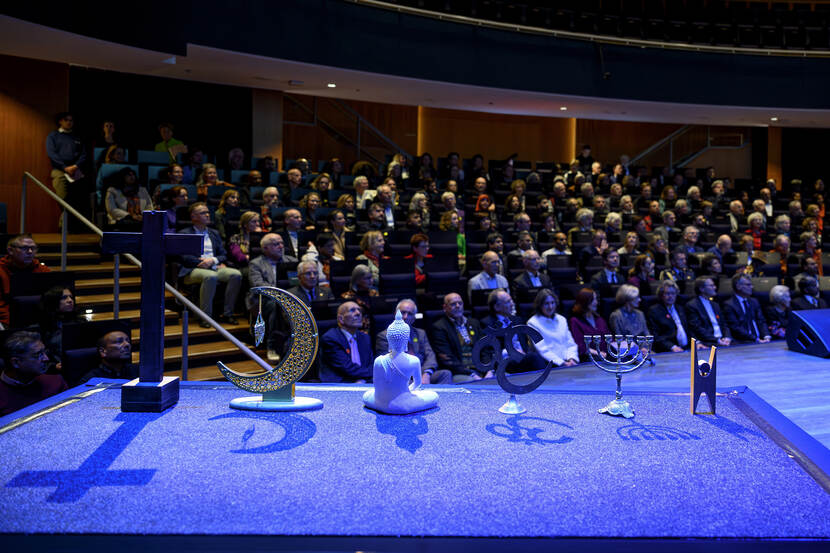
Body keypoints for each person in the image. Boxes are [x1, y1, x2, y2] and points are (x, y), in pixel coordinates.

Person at [178, 203, 243, 327]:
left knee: (236, 274)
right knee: (210, 277)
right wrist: (201, 262)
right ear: (193, 216)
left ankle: (227, 313)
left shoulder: (214, 233)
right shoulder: (185, 233)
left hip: (214, 266)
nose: (207, 215)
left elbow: (223, 254)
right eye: (203, 213)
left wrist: (213, 260)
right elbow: (183, 257)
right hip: (192, 269)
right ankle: (205, 317)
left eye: (208, 212)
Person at [375, 299, 452, 385]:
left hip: (420, 372)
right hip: (399, 375)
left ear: (414, 318)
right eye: (402, 312)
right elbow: (386, 364)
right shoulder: (384, 336)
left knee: (445, 374)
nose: (405, 316)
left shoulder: (420, 334)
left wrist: (426, 374)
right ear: (395, 315)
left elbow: (430, 356)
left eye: (410, 314)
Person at [247, 233, 298, 361]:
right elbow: (257, 285)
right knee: (277, 305)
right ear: (265, 248)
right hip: (262, 300)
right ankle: (272, 345)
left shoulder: (291, 261)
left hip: (290, 297)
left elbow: (297, 281)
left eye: (282, 243)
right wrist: (279, 293)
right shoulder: (256, 263)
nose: (281, 246)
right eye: (276, 244)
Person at [0, 331, 66, 416]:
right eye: (38, 355)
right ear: (16, 362)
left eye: (44, 352)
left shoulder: (56, 383)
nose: (46, 359)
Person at [430, 293, 491, 382]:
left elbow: (485, 349)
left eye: (460, 303)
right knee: (471, 381)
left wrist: (488, 370)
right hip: (460, 373)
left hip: (481, 370)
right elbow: (447, 359)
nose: (457, 306)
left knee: (505, 377)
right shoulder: (439, 327)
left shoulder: (474, 323)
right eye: (453, 304)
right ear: (445, 307)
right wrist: (472, 374)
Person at [0, 234, 51, 327]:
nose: (30, 252)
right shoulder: (1, 270)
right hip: (8, 321)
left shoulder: (43, 270)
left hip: (38, 319)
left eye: (33, 248)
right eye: (24, 248)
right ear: (10, 250)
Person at [319, 301, 373, 383]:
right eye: (352, 310)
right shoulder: (330, 338)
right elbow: (347, 368)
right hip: (339, 385)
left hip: (364, 381)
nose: (358, 313)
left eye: (359, 310)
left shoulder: (365, 338)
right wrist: (374, 373)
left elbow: (369, 365)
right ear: (341, 319)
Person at [46, 112, 87, 214]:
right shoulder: (53, 135)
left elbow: (83, 154)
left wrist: (75, 166)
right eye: (66, 120)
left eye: (71, 120)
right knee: (62, 199)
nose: (69, 122)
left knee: (77, 200)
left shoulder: (77, 137)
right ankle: (63, 226)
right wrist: (64, 167)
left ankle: (67, 227)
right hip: (59, 171)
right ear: (60, 121)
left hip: (75, 171)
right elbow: (51, 153)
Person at [526, 289, 578, 367]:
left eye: (552, 303)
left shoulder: (562, 319)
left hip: (569, 362)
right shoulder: (532, 323)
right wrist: (562, 363)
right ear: (539, 305)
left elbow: (570, 344)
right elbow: (542, 350)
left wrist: (572, 359)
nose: (550, 307)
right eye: (546, 304)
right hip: (548, 365)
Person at [37, 286, 87, 365]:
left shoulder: (80, 322)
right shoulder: (43, 326)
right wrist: (53, 366)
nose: (70, 300)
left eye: (71, 297)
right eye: (64, 298)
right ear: (53, 301)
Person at [722, 274, 771, 343]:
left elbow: (761, 321)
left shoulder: (754, 301)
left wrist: (766, 336)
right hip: (743, 343)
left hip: (761, 340)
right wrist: (755, 339)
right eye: (748, 285)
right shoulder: (729, 305)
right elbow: (735, 328)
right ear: (738, 286)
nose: (752, 287)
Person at [685, 277, 732, 347]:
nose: (715, 287)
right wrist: (717, 340)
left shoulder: (715, 305)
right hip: (708, 342)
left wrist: (727, 337)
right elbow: (697, 328)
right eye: (711, 285)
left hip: (723, 341)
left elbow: (724, 324)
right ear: (701, 289)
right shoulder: (692, 305)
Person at [647, 280, 690, 352]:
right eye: (667, 293)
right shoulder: (655, 311)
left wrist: (697, 343)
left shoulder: (680, 308)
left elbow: (689, 329)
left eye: (673, 293)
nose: (670, 296)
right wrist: (672, 347)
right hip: (668, 350)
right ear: (661, 295)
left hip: (687, 348)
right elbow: (656, 336)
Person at [569, 288, 611, 361]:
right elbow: (580, 346)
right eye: (593, 300)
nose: (596, 302)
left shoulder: (599, 319)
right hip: (590, 358)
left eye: (596, 299)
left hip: (606, 356)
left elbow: (609, 338)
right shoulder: (575, 321)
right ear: (584, 301)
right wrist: (598, 353)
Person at [340, 265, 379, 333]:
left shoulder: (374, 293)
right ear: (357, 280)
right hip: (356, 330)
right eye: (367, 278)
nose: (371, 281)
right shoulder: (347, 297)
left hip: (375, 328)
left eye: (371, 277)